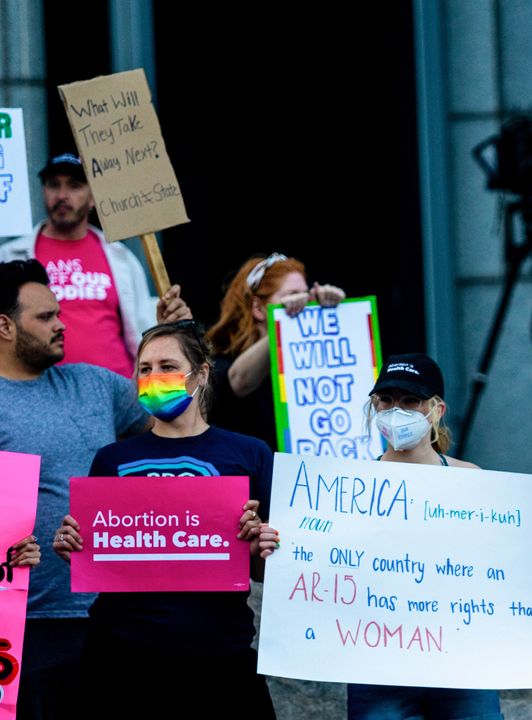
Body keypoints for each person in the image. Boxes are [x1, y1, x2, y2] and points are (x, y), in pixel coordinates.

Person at [52, 320, 280, 715]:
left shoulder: (251, 454)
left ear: (201, 374)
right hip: (121, 658)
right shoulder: (112, 459)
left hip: (219, 656)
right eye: (145, 368)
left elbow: (266, 570)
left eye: (167, 366)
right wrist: (75, 548)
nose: (154, 377)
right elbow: (100, 557)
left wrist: (259, 542)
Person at [344, 353, 532, 720]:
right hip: (379, 670)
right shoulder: (347, 490)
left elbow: (506, 565)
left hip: (464, 666)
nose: (395, 411)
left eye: (410, 401)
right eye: (386, 400)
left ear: (436, 409)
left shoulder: (472, 480)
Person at [0, 258, 153, 720]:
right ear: (5, 327)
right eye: (45, 317)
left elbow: (179, 410)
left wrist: (174, 333)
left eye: (59, 313)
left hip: (113, 616)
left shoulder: (95, 385)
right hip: (22, 624)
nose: (61, 325)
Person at [0, 153, 191, 377]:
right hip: (41, 397)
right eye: (53, 185)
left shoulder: (120, 256)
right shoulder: (11, 255)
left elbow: (144, 325)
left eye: (74, 186)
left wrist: (168, 324)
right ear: (43, 191)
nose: (62, 195)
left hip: (117, 395)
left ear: (93, 197)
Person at [206, 253, 345, 448]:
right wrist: (284, 323)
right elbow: (238, 381)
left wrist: (338, 309)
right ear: (258, 308)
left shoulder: (310, 367)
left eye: (306, 296)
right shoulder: (221, 363)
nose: (303, 303)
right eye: (292, 296)